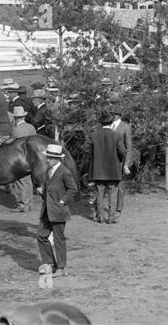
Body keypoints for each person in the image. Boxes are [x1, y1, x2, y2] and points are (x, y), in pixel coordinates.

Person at [36, 143, 78, 285]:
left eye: (49, 157)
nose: (47, 159)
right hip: (47, 210)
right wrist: (42, 190)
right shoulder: (49, 170)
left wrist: (62, 201)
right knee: (41, 235)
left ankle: (61, 268)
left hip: (58, 211)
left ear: (56, 158)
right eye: (47, 157)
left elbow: (73, 189)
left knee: (59, 240)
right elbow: (50, 188)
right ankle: (49, 263)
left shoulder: (64, 171)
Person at [87, 109, 125, 224]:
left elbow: (85, 149)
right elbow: (122, 151)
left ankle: (101, 217)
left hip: (98, 170)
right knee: (113, 194)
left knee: (99, 193)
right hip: (113, 169)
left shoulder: (93, 134)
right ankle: (111, 217)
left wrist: (94, 157)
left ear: (100, 123)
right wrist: (118, 159)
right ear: (111, 122)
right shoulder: (116, 135)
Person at [10, 104, 38, 212]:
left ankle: (22, 204)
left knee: (19, 181)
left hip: (19, 157)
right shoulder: (31, 127)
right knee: (28, 181)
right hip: (30, 158)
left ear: (16, 118)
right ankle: (29, 203)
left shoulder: (16, 130)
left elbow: (12, 145)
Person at [111, 106, 134, 219]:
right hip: (107, 161)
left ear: (116, 115)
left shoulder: (126, 127)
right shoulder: (106, 126)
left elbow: (129, 147)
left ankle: (118, 209)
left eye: (111, 114)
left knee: (120, 186)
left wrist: (126, 164)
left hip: (120, 161)